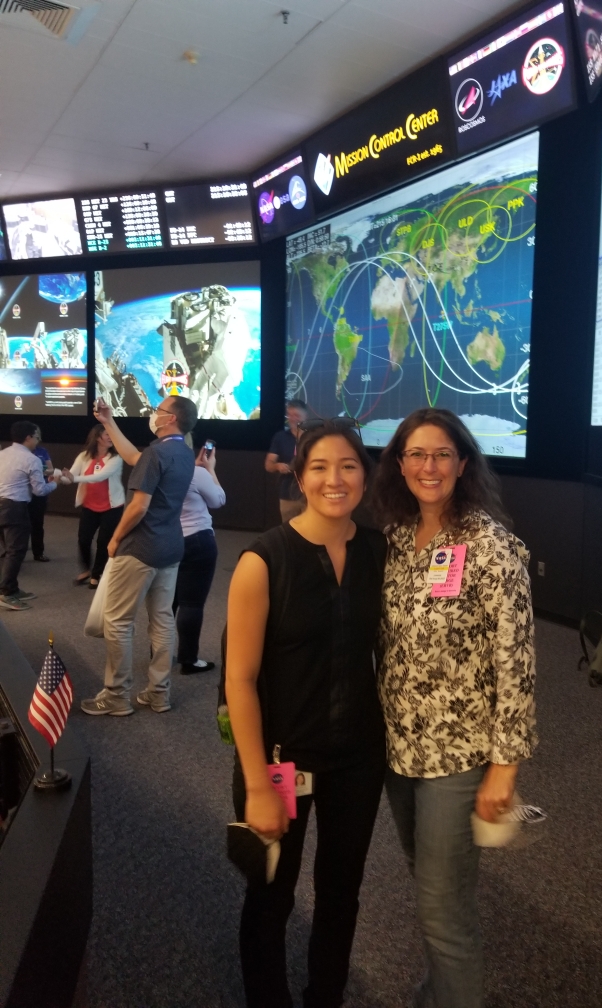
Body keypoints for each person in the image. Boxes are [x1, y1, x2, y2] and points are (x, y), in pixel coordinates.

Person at [372, 407, 536, 1008]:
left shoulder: (492, 547)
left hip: (460, 756)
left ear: (463, 463)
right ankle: (443, 989)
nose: (428, 465)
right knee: (429, 882)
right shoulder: (395, 538)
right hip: (399, 749)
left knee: (444, 909)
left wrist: (506, 768)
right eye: (415, 454)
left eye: (442, 453)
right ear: (399, 464)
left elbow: (516, 663)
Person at [226, 421, 387, 1008]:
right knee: (271, 895)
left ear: (365, 478)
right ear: (299, 476)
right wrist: (255, 785)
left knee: (342, 894)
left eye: (348, 465)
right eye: (319, 466)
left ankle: (326, 997)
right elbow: (239, 681)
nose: (334, 479)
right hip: (279, 759)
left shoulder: (378, 552)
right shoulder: (264, 559)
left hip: (359, 759)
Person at [79, 396, 196, 717]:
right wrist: (108, 421)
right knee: (161, 621)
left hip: (139, 549)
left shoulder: (157, 454)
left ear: (170, 419)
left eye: (159, 410)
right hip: (171, 548)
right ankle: (159, 693)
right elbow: (133, 456)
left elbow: (139, 506)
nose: (154, 414)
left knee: (117, 622)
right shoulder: (184, 453)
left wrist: (114, 539)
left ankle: (116, 695)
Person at [173, 439, 225, 675]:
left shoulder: (157, 469)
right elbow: (218, 500)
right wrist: (210, 469)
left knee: (165, 603)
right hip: (197, 541)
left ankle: (160, 653)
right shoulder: (196, 474)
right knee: (191, 603)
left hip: (167, 540)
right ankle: (189, 659)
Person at [0, 421, 59, 611]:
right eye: (37, 436)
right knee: (16, 551)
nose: (38, 440)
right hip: (14, 507)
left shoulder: (3, 454)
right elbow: (40, 491)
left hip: (2, 504)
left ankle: (12, 588)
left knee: (10, 549)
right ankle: (6, 593)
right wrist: (55, 482)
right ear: (28, 437)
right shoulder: (32, 459)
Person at [63, 424, 124, 588]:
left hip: (112, 507)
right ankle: (86, 570)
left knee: (104, 541)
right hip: (90, 505)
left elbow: (99, 476)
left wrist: (73, 479)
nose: (111, 437)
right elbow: (70, 476)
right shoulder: (84, 456)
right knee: (83, 539)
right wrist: (57, 477)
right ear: (98, 437)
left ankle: (97, 574)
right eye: (107, 434)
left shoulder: (115, 458)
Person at [265, 399, 307, 523]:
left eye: (297, 415)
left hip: (310, 496)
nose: (293, 419)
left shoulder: (314, 437)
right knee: (290, 533)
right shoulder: (280, 437)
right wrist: (277, 466)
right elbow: (268, 465)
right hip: (288, 496)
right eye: (290, 415)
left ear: (306, 417)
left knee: (313, 534)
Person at [28, 437, 53, 562]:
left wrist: (41, 470)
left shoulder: (42, 451)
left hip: (39, 492)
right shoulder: (20, 453)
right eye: (34, 436)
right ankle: (14, 551)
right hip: (22, 493)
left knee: (37, 524)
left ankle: (38, 553)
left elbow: (51, 470)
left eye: (38, 436)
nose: (37, 439)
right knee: (18, 524)